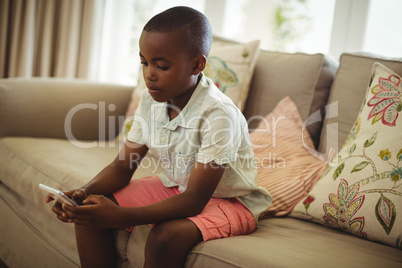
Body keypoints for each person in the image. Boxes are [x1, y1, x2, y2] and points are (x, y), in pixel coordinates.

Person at [47, 6, 272, 268]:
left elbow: (194, 200)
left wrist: (119, 216)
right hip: (178, 185)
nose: (149, 75)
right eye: (144, 62)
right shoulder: (150, 101)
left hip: (231, 201)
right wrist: (82, 192)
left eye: (161, 65)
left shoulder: (219, 115)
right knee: (89, 210)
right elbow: (123, 166)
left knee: (164, 237)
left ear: (197, 64)